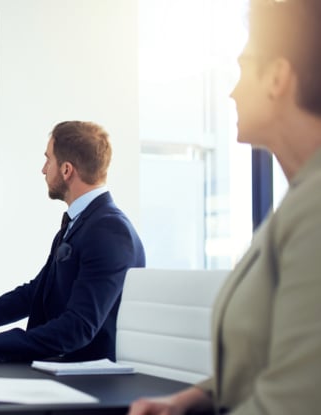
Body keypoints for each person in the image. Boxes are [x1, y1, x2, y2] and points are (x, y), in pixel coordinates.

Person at [129, 1, 321, 414]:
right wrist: (195, 399)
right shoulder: (299, 200)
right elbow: (275, 354)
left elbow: (297, 401)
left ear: (277, 77)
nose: (232, 91)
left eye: (242, 67)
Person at [0, 121, 145, 362]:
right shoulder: (82, 222)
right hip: (59, 367)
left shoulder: (109, 231)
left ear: (66, 170)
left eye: (48, 160)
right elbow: (35, 293)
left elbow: (79, 326)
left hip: (87, 381)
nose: (43, 169)